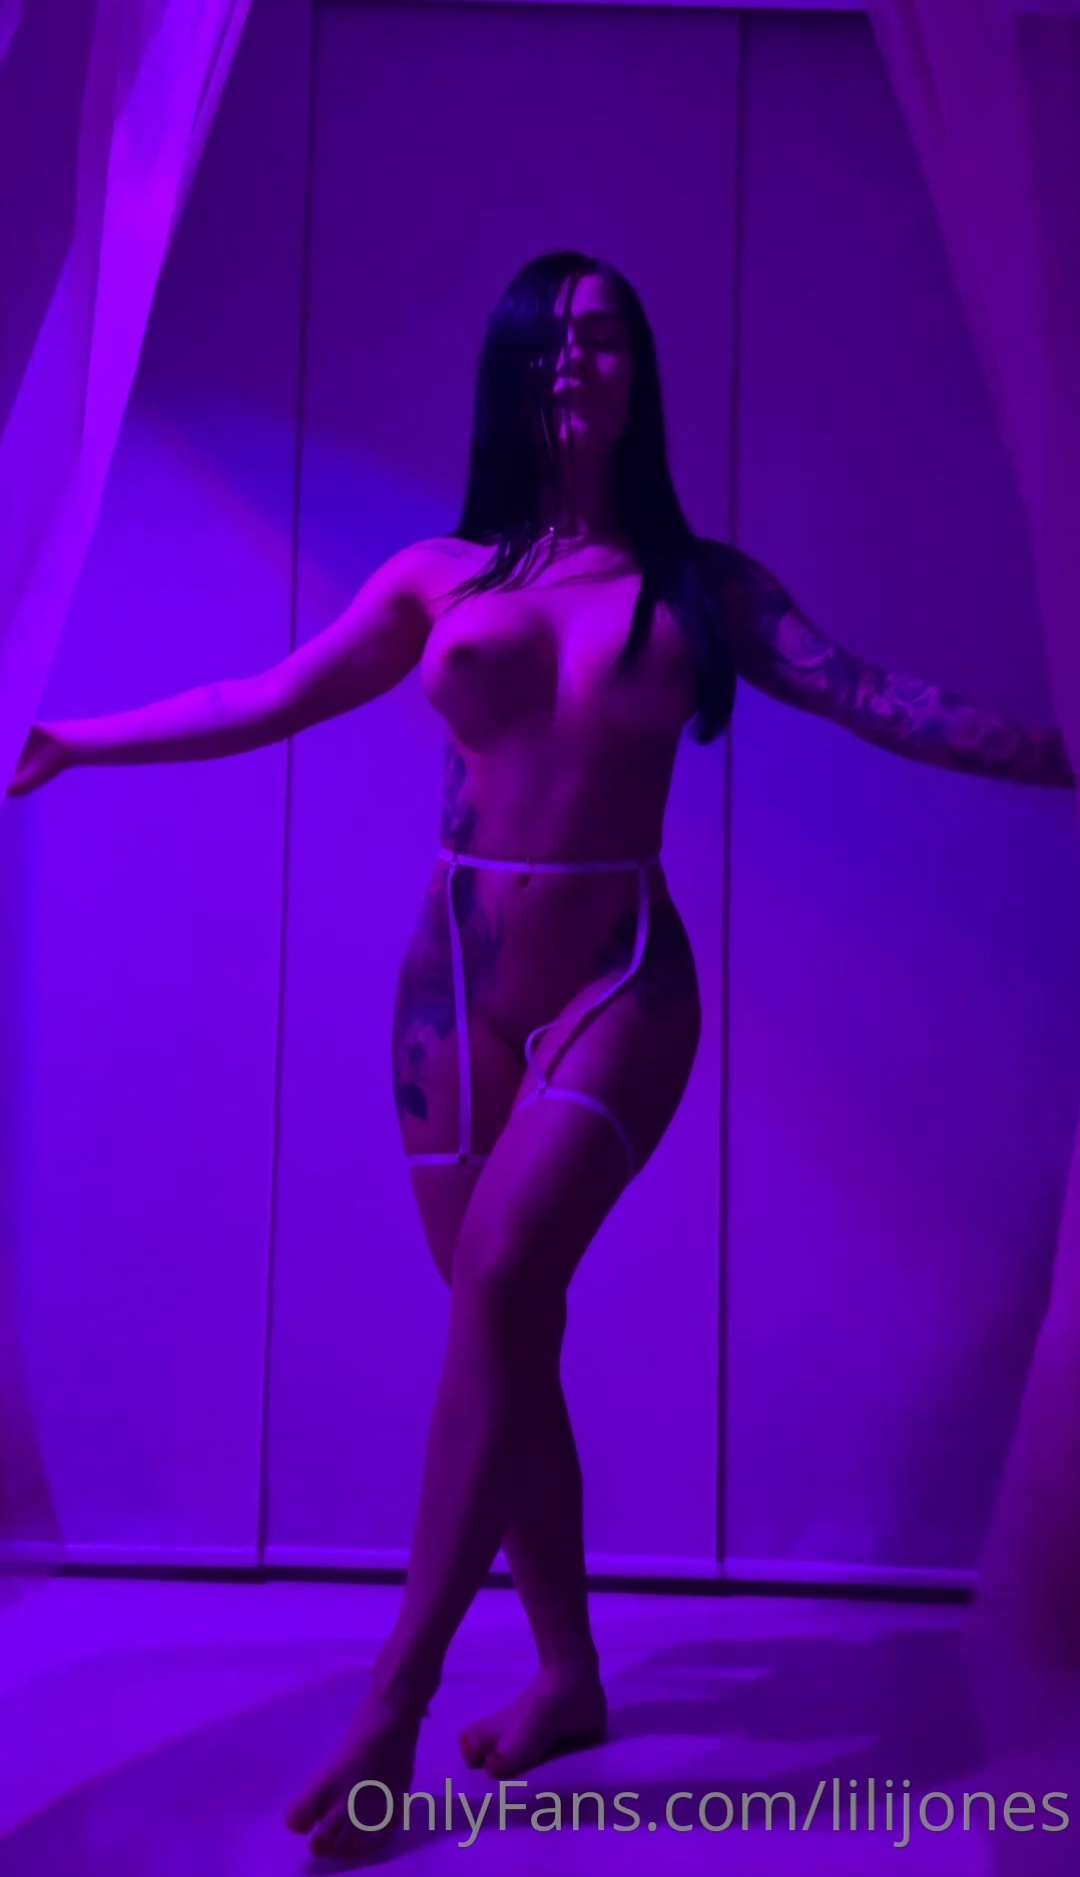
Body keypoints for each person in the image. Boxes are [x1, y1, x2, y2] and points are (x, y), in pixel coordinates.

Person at [8, 251, 1074, 1860]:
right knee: (506, 1326)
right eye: (552, 340)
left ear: (639, 372)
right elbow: (272, 690)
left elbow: (879, 698)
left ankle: (395, 1698)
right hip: (450, 986)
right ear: (514, 375)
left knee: (504, 1282)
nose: (577, 360)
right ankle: (568, 1673)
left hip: (619, 980)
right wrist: (80, 737)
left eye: (605, 337)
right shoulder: (438, 576)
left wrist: (1058, 751)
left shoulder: (704, 588)